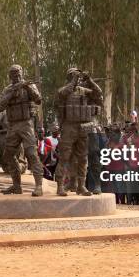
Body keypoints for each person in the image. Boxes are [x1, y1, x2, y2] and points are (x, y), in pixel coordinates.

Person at [0, 64, 44, 196]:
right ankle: (16, 186)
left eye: (19, 73)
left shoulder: (29, 86)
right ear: (10, 76)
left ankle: (38, 186)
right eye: (14, 74)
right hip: (12, 126)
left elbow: (38, 100)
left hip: (26, 124)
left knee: (31, 153)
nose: (17, 76)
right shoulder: (7, 90)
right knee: (8, 155)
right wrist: (12, 92)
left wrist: (28, 87)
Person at [55, 67, 103, 196]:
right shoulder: (64, 90)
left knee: (82, 158)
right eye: (73, 75)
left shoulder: (84, 91)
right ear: (68, 77)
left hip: (83, 127)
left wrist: (90, 80)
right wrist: (74, 81)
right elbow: (62, 94)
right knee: (65, 157)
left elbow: (98, 93)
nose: (76, 77)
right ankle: (60, 185)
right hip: (69, 127)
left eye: (77, 75)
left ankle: (81, 186)